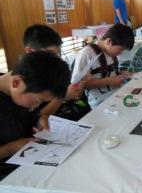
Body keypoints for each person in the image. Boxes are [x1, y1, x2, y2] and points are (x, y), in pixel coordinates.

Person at [0, 51, 70, 180]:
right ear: (16, 82)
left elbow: (30, 115)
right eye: (38, 101)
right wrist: (12, 147)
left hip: (30, 160)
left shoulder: (25, 90)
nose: (37, 105)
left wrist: (40, 117)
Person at [23, 24, 90, 122]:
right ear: (29, 51)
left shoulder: (56, 68)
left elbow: (76, 96)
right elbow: (35, 119)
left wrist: (81, 83)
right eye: (50, 54)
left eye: (57, 53)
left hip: (78, 115)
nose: (55, 59)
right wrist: (62, 96)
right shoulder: (25, 80)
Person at [71, 24, 134, 108]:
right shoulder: (87, 53)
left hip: (117, 92)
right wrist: (109, 81)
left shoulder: (111, 52)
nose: (121, 53)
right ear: (109, 42)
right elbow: (78, 86)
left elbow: (109, 71)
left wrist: (120, 73)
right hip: (99, 100)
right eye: (120, 49)